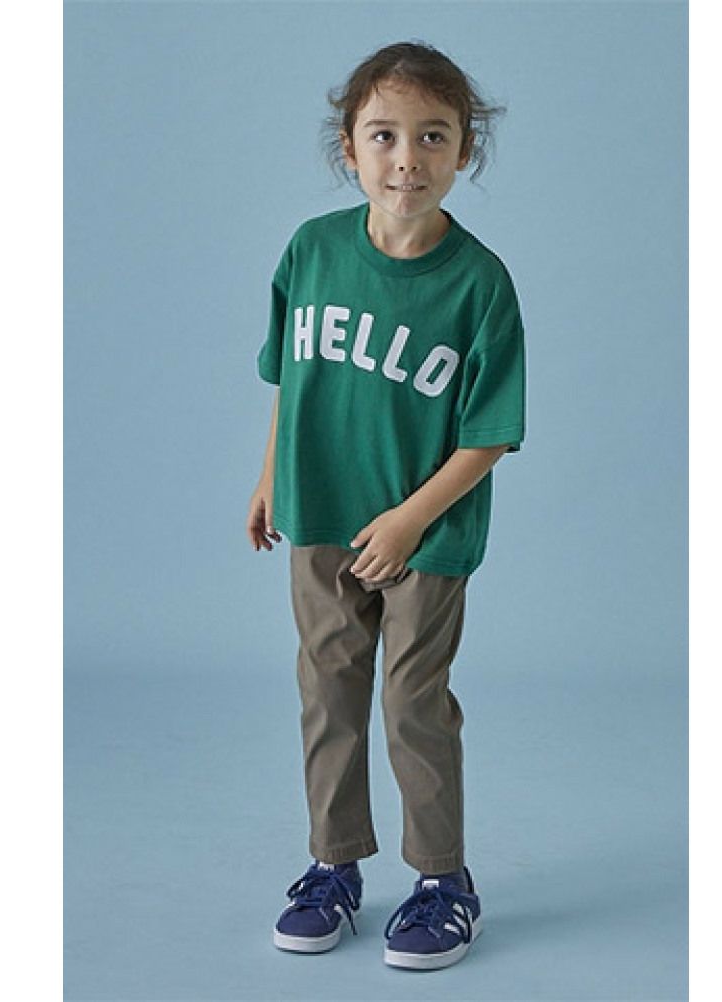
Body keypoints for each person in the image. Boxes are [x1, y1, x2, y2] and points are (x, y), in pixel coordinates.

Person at [246, 40, 526, 971]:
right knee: (327, 692)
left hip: (427, 533)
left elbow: (489, 434)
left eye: (433, 136)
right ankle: (333, 866)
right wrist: (270, 479)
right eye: (384, 135)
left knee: (411, 700)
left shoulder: (479, 284)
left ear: (463, 152)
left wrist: (410, 520)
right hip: (322, 516)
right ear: (349, 148)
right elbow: (290, 379)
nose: (407, 158)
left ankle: (444, 882)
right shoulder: (311, 251)